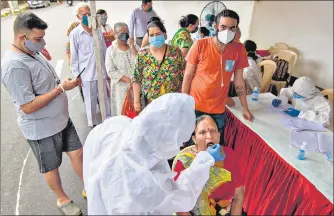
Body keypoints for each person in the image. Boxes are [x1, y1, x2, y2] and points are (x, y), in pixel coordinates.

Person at [83, 93, 226, 215]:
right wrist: (205, 160)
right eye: (179, 141)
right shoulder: (137, 183)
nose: (178, 147)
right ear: (168, 137)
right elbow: (180, 196)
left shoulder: (121, 126)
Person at [1, 12, 83, 215]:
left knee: (78, 153)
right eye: (38, 39)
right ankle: (63, 200)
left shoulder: (30, 51)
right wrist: (61, 89)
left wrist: (41, 56)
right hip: (42, 128)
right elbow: (27, 106)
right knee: (51, 166)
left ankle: (89, 184)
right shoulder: (13, 66)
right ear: (22, 38)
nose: (42, 42)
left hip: (61, 120)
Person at [182, 9, 254, 144]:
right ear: (215, 27)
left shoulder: (239, 49)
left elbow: (239, 81)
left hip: (218, 109)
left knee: (214, 146)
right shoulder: (200, 45)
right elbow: (188, 75)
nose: (228, 31)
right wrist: (183, 104)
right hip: (195, 106)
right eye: (223, 27)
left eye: (232, 28)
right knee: (193, 145)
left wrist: (245, 107)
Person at [173, 115, 245, 215]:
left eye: (213, 131)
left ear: (219, 135)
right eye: (203, 132)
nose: (210, 136)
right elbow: (179, 205)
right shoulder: (185, 162)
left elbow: (238, 195)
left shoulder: (229, 155)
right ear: (194, 139)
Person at [69, 2, 111, 128]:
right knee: (90, 101)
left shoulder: (97, 29)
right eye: (84, 15)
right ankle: (92, 125)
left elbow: (103, 49)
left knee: (105, 100)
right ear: (78, 17)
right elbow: (74, 57)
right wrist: (77, 76)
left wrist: (107, 70)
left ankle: (108, 121)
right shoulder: (75, 34)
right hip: (86, 75)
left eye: (89, 14)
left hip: (101, 72)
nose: (87, 16)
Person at [132, 18, 185, 113]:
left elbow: (184, 74)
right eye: (151, 35)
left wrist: (184, 96)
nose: (155, 37)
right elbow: (136, 78)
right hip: (151, 105)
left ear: (164, 35)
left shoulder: (175, 52)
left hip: (173, 104)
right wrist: (136, 102)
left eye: (158, 34)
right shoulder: (143, 54)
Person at [105, 22, 139, 116]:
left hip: (136, 87)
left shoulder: (134, 46)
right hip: (121, 89)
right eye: (122, 33)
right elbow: (110, 71)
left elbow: (141, 62)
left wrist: (132, 47)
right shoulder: (111, 50)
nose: (125, 35)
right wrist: (128, 80)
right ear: (115, 35)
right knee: (123, 112)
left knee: (137, 112)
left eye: (127, 32)